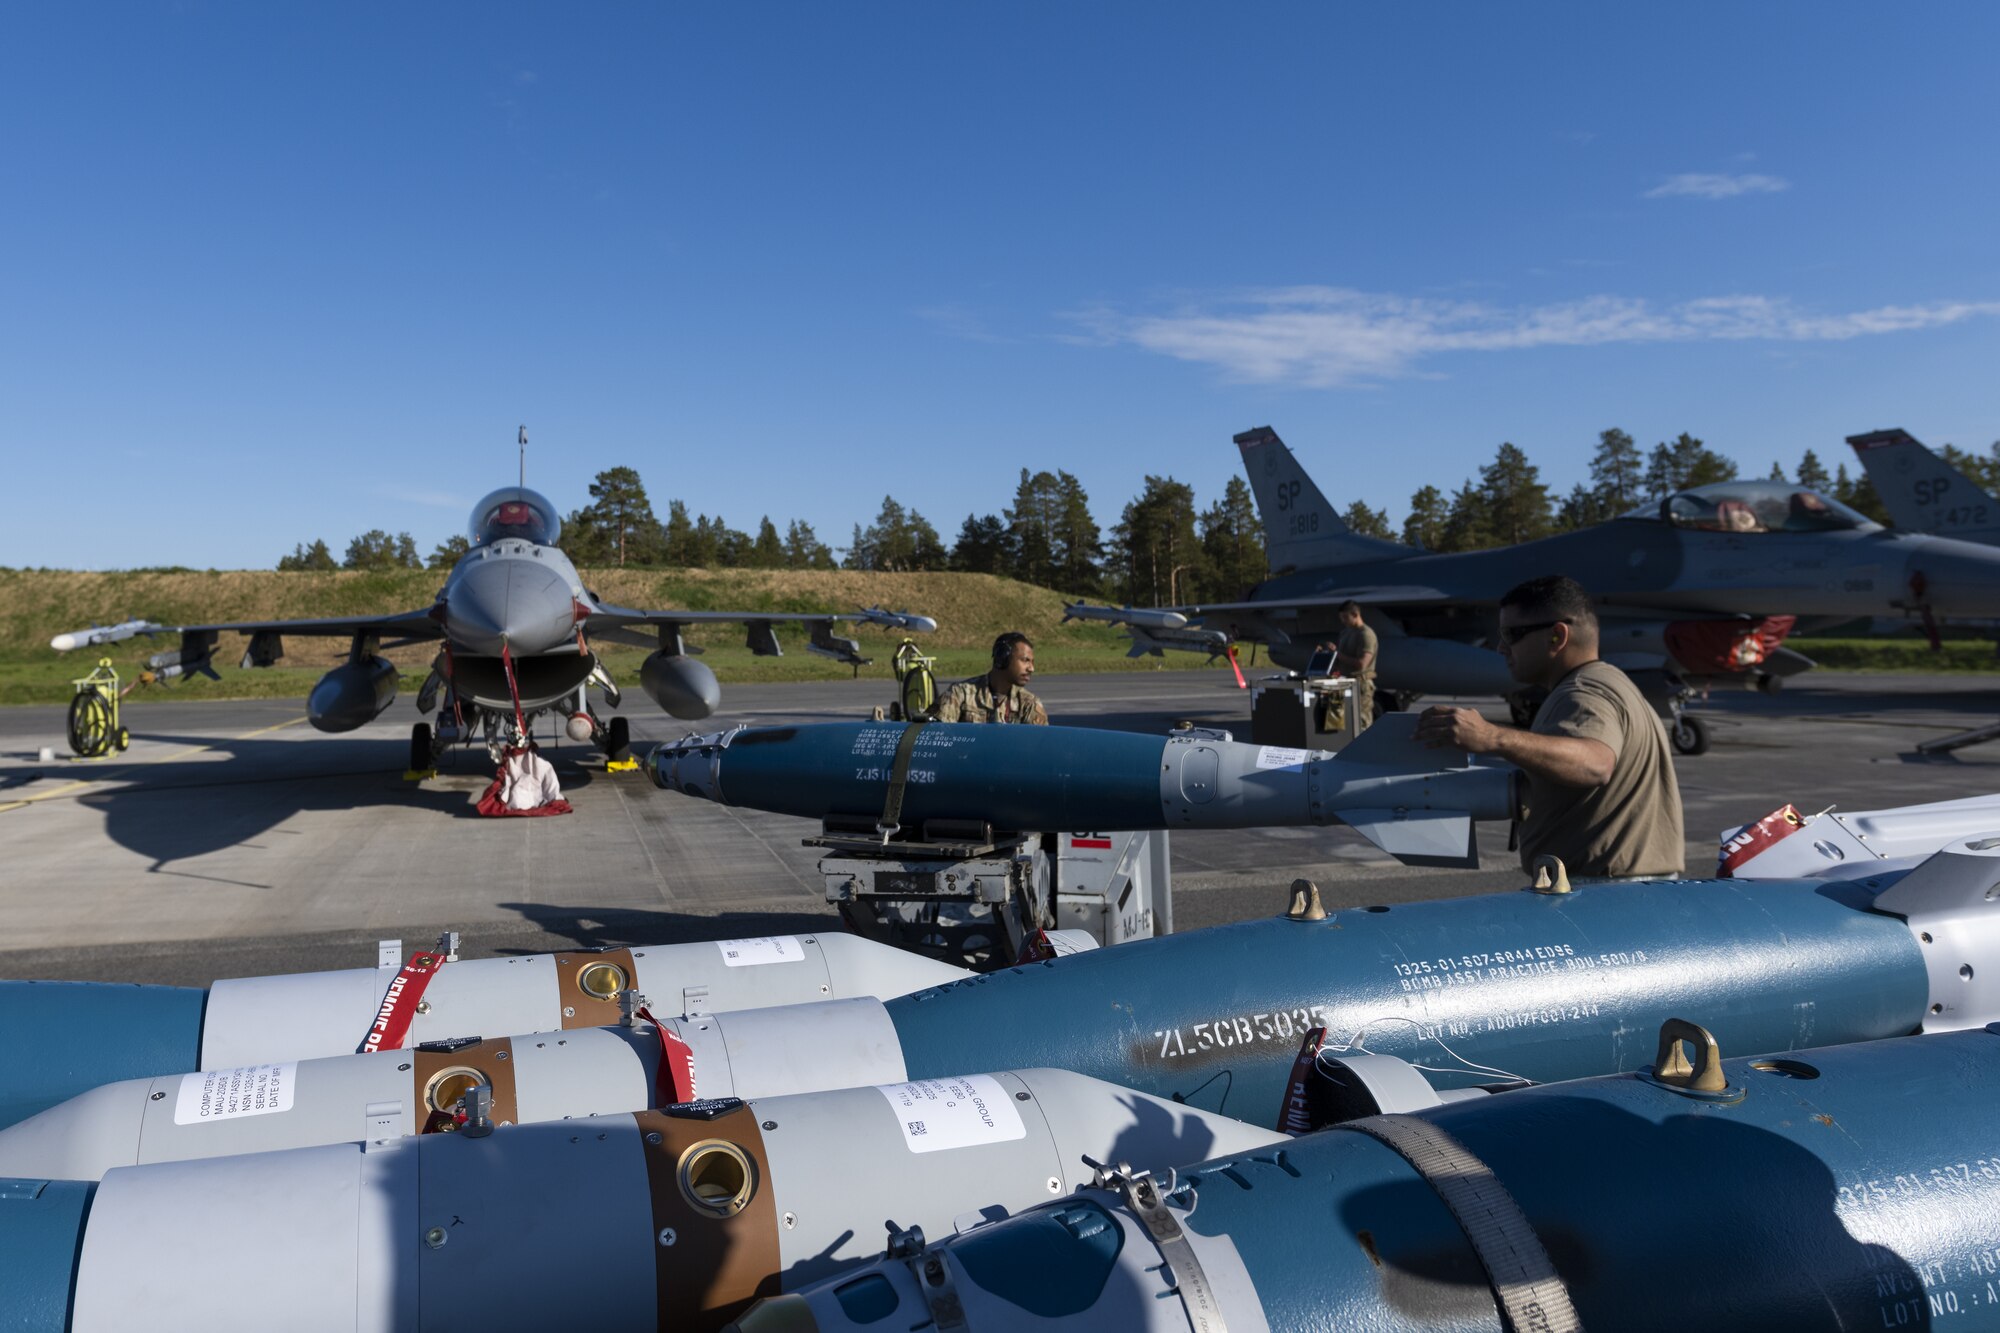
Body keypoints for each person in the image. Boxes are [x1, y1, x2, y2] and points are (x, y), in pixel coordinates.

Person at [1412, 575, 1683, 879]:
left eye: (1512, 634)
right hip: (1621, 890)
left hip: (1605, 896)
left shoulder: (1584, 692)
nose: (1501, 647)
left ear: (1557, 636)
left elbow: (1595, 763)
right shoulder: (1609, 682)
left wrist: (1493, 737)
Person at [932, 631, 1049, 724]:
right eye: (1025, 660)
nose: (1031, 668)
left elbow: (1041, 747)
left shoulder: (1029, 704)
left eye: (1032, 662)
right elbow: (938, 737)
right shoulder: (960, 694)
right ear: (1002, 658)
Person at [1333, 600, 1379, 732]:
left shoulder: (1366, 635)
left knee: (1361, 724)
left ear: (1355, 614)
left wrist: (1338, 655)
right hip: (1345, 683)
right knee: (1345, 726)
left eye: (1345, 617)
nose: (1343, 621)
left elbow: (1362, 664)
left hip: (1361, 685)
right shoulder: (1346, 633)